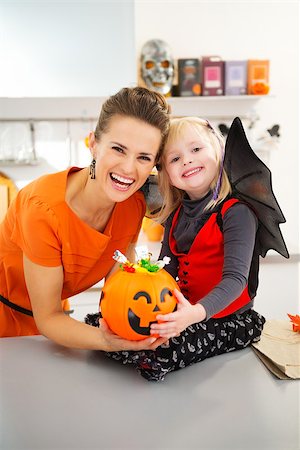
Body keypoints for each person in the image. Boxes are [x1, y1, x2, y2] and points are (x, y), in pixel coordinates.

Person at [0, 86, 171, 353]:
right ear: (93, 144)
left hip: (56, 320)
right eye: (118, 149)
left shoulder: (132, 206)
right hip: (6, 323)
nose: (128, 168)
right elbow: (47, 318)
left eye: (143, 157)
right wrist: (107, 341)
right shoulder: (42, 209)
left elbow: (119, 289)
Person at [100, 116, 267, 381]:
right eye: (175, 159)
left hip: (232, 321)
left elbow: (236, 280)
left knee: (159, 352)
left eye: (196, 149)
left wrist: (193, 315)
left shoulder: (236, 212)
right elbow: (165, 270)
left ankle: (144, 355)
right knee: (103, 325)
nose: (187, 160)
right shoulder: (175, 216)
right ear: (167, 174)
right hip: (185, 313)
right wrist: (139, 277)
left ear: (218, 152)